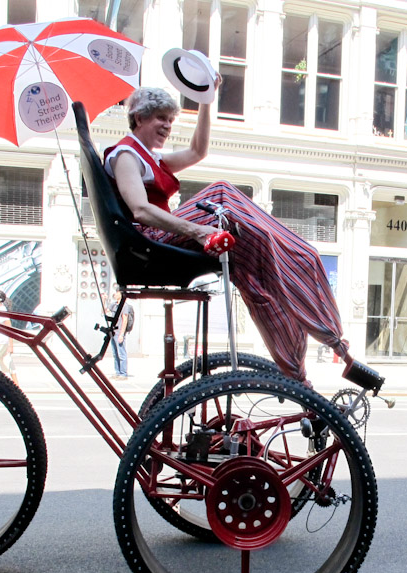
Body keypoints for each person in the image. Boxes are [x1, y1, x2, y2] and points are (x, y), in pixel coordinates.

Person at [104, 86, 349, 383]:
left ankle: (297, 367)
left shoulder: (151, 159)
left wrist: (207, 100)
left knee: (251, 272)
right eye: (161, 118)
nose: (168, 126)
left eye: (170, 119)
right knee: (221, 193)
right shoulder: (126, 155)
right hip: (150, 243)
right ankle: (294, 259)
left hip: (156, 241)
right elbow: (140, 210)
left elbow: (198, 151)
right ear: (139, 117)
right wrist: (197, 230)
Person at [108, 288, 129, 380]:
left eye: (116, 292)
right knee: (115, 353)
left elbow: (125, 320)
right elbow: (104, 311)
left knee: (121, 353)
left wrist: (121, 334)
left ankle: (123, 373)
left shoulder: (124, 306)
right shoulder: (114, 305)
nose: (115, 294)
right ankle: (117, 372)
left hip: (119, 332)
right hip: (113, 332)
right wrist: (104, 300)